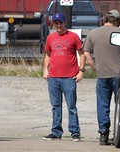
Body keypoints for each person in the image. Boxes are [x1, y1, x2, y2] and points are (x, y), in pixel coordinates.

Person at [83, 10, 120, 145]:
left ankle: (103, 134)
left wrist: (94, 67)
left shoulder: (93, 33)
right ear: (115, 20)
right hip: (119, 75)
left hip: (102, 75)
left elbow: (86, 53)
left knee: (102, 105)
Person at [42, 12, 86, 142]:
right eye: (56, 23)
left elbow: (82, 54)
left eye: (60, 22)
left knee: (71, 106)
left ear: (64, 22)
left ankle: (75, 132)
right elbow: (48, 55)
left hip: (69, 77)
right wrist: (45, 69)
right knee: (55, 106)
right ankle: (56, 132)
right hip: (53, 77)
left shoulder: (73, 37)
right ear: (53, 24)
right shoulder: (50, 38)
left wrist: (81, 71)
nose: (58, 25)